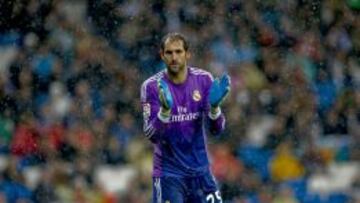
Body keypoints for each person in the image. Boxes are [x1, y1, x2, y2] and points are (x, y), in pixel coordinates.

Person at [140, 32, 231, 203]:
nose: (174, 57)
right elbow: (151, 135)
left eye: (178, 52)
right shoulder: (151, 87)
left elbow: (216, 130)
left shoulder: (204, 80)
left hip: (200, 173)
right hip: (169, 175)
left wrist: (214, 109)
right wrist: (164, 113)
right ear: (162, 55)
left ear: (187, 54)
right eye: (169, 53)